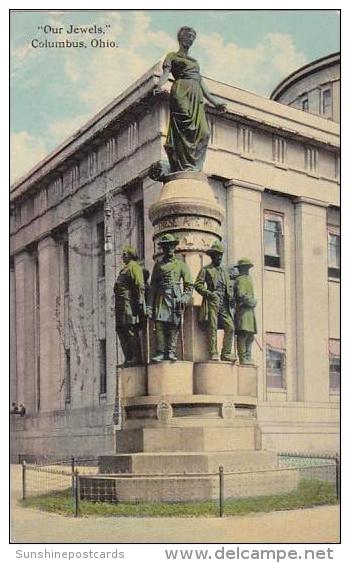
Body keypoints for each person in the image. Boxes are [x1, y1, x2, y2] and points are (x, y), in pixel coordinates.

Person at [154, 26, 226, 172]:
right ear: (180, 38)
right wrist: (159, 86)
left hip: (196, 95)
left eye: (193, 36)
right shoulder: (172, 56)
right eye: (188, 35)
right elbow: (165, 73)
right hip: (181, 91)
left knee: (204, 132)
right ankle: (183, 166)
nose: (191, 39)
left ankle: (193, 168)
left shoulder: (194, 61)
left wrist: (215, 101)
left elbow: (201, 82)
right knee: (185, 127)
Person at [150, 233, 192, 362]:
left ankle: (171, 351)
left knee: (174, 324)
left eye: (171, 246)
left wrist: (184, 297)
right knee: (160, 324)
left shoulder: (181, 265)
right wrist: (149, 306)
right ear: (163, 248)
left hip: (175, 297)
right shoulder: (158, 266)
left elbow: (189, 285)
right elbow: (153, 287)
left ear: (175, 247)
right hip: (161, 297)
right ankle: (161, 351)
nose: (169, 249)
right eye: (166, 246)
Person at [194, 240, 236, 362]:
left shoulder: (224, 271)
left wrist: (231, 296)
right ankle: (213, 352)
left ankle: (226, 353)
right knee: (212, 327)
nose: (220, 257)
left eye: (221, 255)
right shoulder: (206, 270)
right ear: (212, 256)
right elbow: (198, 285)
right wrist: (209, 294)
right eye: (217, 255)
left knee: (230, 327)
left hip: (224, 303)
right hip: (212, 302)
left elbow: (229, 286)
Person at [114, 246, 146, 367]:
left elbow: (139, 285)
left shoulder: (134, 267)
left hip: (128, 303)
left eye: (125, 254)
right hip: (120, 305)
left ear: (131, 255)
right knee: (121, 330)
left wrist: (140, 302)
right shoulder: (124, 269)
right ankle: (128, 357)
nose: (123, 256)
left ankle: (136, 357)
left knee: (129, 329)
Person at [234, 258, 257, 364]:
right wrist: (251, 301)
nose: (247, 269)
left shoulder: (249, 279)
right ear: (241, 269)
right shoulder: (240, 279)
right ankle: (243, 357)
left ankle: (248, 355)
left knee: (250, 336)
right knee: (243, 334)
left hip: (250, 312)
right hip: (243, 310)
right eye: (245, 267)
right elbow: (241, 294)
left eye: (248, 267)